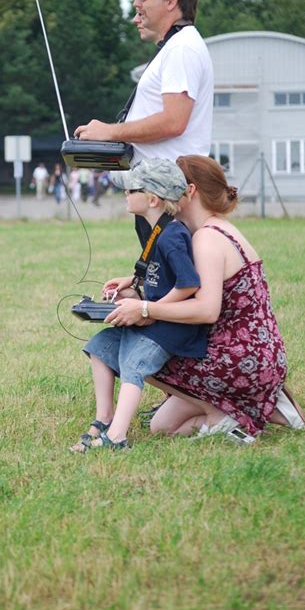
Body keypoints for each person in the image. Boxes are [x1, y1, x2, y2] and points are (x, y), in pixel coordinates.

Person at [104, 155, 305, 440]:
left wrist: (146, 310)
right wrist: (135, 283)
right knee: (161, 426)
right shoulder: (214, 230)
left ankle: (239, 411)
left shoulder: (207, 239)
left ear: (189, 191)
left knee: (136, 350)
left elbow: (207, 310)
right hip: (259, 354)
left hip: (237, 359)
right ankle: (259, 408)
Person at [69, 159, 208, 453]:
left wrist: (147, 307)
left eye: (130, 190)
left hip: (173, 328)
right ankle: (104, 418)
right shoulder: (156, 230)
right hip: (156, 320)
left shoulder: (172, 235)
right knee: (100, 346)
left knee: (133, 364)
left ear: (152, 199)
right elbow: (159, 275)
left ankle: (117, 438)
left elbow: (189, 284)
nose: (125, 194)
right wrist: (131, 282)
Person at [74, 0, 214, 244]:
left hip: (167, 196)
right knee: (160, 280)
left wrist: (110, 132)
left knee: (176, 282)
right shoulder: (177, 47)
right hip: (160, 193)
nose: (136, 3)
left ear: (172, 1)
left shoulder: (182, 48)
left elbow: (174, 121)